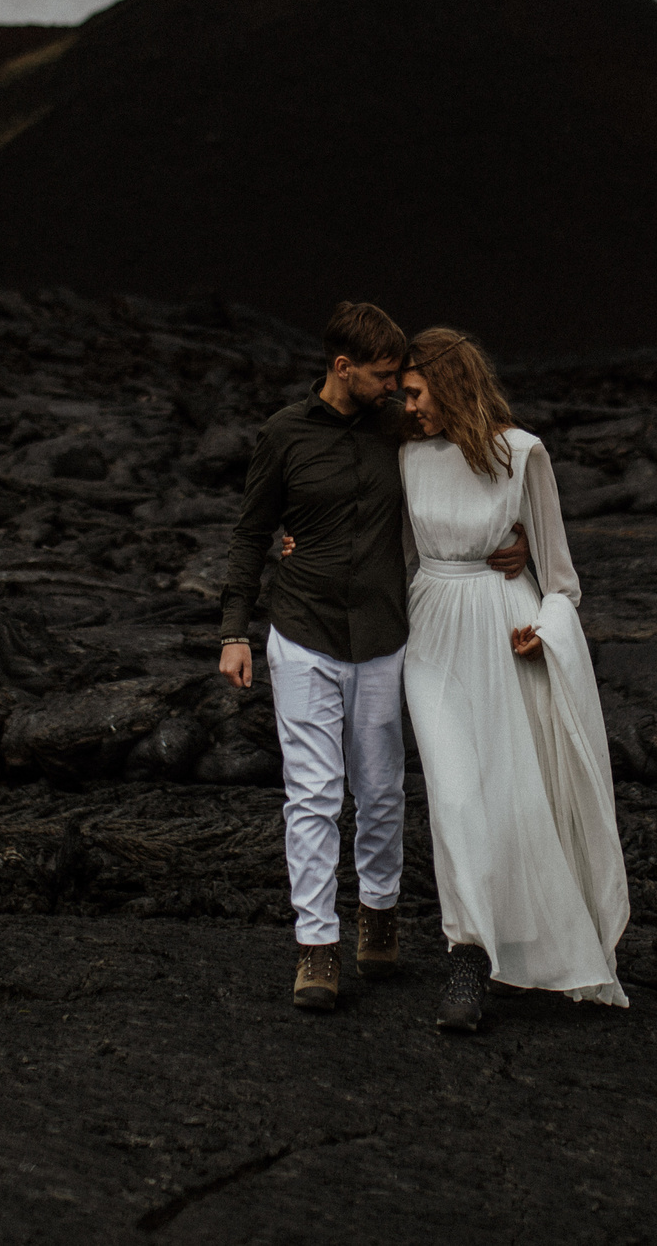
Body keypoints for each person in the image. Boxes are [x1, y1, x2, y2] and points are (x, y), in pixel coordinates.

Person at [217, 301, 528, 1012]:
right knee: (315, 792)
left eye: (400, 378)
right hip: (302, 632)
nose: (394, 387)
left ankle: (378, 920)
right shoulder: (284, 435)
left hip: (388, 636)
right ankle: (317, 948)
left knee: (383, 789)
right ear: (341, 367)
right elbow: (251, 532)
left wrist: (523, 540)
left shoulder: (404, 431)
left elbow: (493, 456)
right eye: (383, 375)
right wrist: (235, 629)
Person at [394, 327, 629, 1031]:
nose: (407, 407)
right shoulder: (406, 456)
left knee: (515, 799)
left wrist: (545, 632)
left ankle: (521, 945)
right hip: (431, 632)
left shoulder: (522, 455)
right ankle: (467, 955)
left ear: (451, 382)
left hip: (506, 634)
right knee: (456, 797)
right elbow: (388, 546)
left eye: (415, 392)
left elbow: (562, 580)